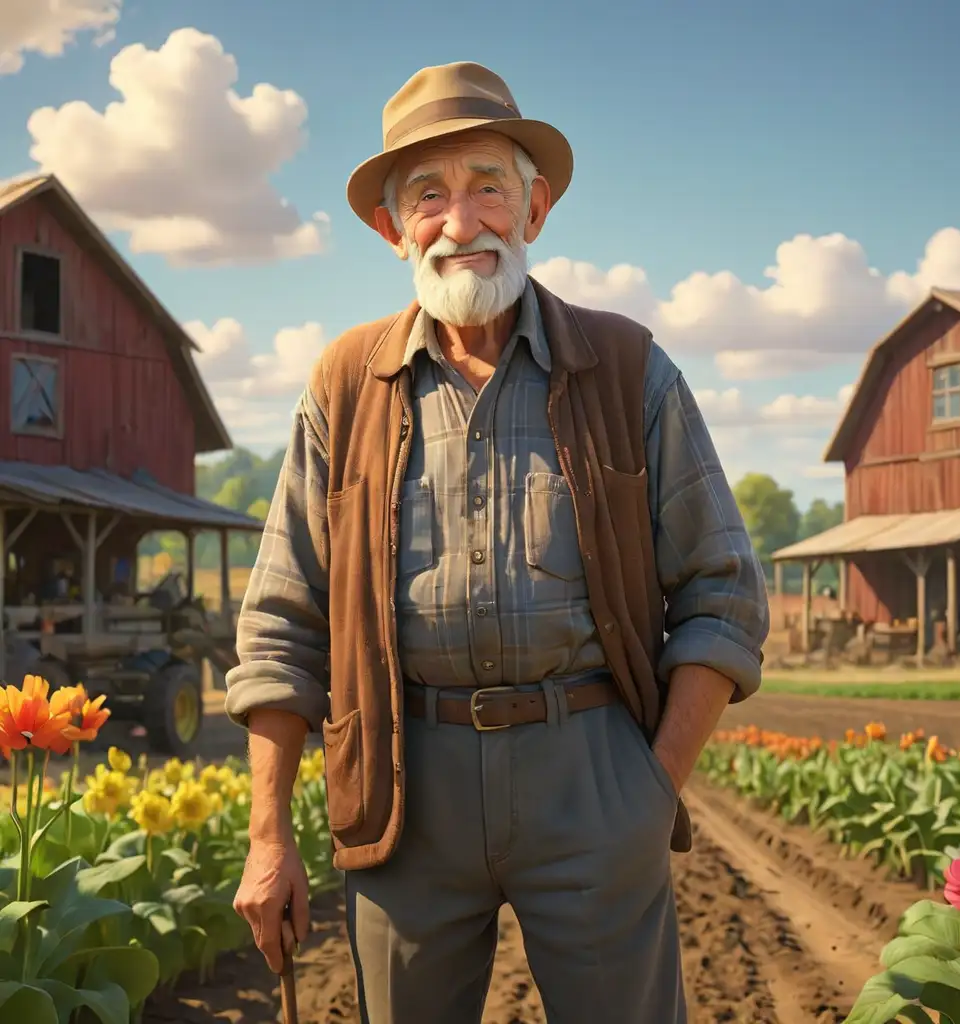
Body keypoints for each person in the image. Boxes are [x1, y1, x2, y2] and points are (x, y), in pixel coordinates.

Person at [227, 61, 770, 1024]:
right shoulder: (346, 385)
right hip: (403, 793)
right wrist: (270, 835)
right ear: (392, 227)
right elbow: (282, 620)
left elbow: (722, 591)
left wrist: (650, 793)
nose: (461, 220)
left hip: (591, 772)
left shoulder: (628, 368)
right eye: (428, 195)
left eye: (489, 186)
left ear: (536, 208)